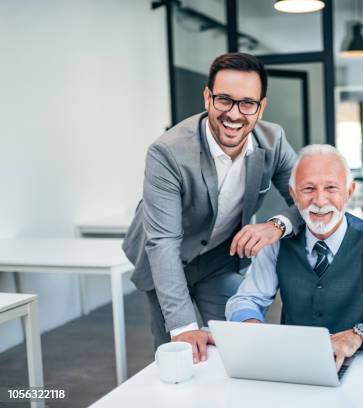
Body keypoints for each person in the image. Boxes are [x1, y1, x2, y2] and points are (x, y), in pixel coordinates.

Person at [122, 53, 303, 363]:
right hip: (165, 258)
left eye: (247, 103)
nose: (234, 114)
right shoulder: (168, 152)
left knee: (239, 344)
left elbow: (309, 201)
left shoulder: (273, 141)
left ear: (261, 107)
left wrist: (276, 226)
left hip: (219, 260)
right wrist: (183, 328)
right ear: (208, 97)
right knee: (179, 355)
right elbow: (163, 242)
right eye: (224, 100)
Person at [226, 144, 363, 370]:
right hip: (297, 367)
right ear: (293, 194)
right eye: (308, 189)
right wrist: (252, 328)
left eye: (331, 188)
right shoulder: (277, 244)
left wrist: (360, 336)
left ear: (349, 192)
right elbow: (245, 300)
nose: (319, 200)